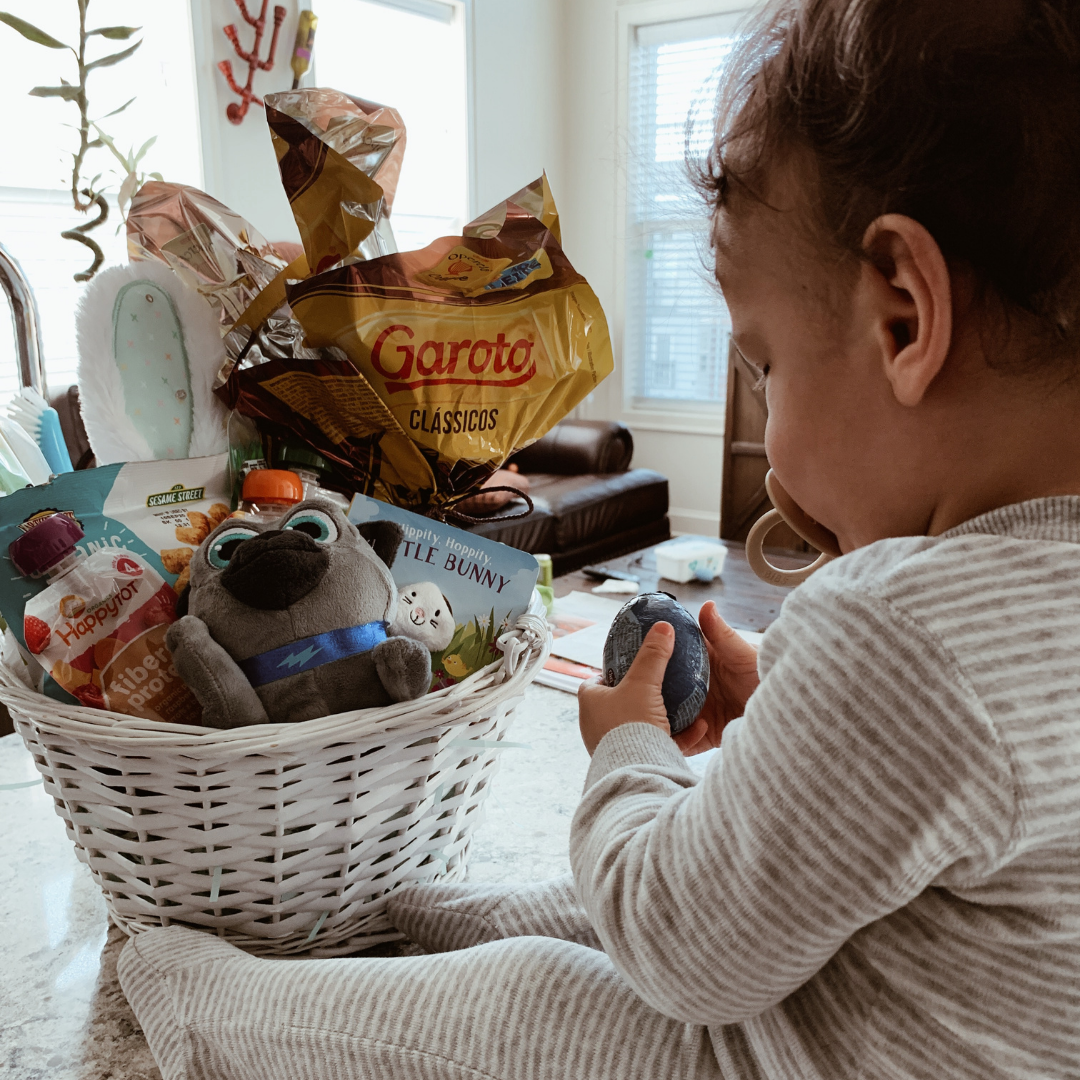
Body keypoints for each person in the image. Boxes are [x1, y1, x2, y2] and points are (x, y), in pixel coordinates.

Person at [116, 0, 1080, 1076]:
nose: (767, 418)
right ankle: (454, 914)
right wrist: (799, 716)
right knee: (696, 840)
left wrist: (629, 747)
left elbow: (687, 956)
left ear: (903, 319)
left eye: (766, 366)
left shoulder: (903, 624)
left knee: (538, 997)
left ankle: (215, 1014)